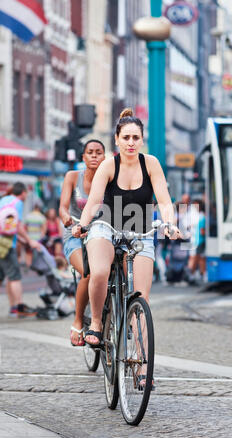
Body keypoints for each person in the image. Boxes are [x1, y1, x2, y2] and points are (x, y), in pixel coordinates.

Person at [72, 108, 180, 355]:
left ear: (142, 139)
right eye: (126, 138)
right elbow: (94, 201)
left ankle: (142, 364)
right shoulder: (109, 165)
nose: (131, 143)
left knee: (141, 298)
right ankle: (97, 323)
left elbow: (163, 200)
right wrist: (84, 224)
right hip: (105, 226)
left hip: (140, 230)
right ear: (117, 139)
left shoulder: (151, 163)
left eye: (136, 138)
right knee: (99, 271)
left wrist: (170, 223)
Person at [59, 139, 106, 346]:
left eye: (98, 152)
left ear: (105, 157)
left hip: (101, 233)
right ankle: (78, 320)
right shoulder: (72, 177)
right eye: (90, 152)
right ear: (83, 157)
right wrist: (65, 218)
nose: (94, 156)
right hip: (76, 234)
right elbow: (63, 207)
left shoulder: (110, 178)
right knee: (88, 272)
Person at [0, 182, 41, 317]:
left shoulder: (4, 199)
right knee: (14, 276)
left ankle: (13, 307)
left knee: (4, 277)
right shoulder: (17, 202)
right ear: (22, 192)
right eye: (26, 193)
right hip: (6, 245)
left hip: (2, 242)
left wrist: (22, 241)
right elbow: (17, 226)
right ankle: (18, 307)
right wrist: (29, 240)